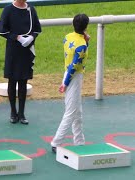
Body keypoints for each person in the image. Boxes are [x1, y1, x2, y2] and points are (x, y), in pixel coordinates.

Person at [0, 0, 42, 125]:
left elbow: (37, 28)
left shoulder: (31, 10)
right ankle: (13, 112)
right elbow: (2, 30)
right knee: (12, 81)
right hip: (13, 50)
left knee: (23, 81)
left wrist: (31, 37)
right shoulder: (8, 10)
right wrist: (17, 37)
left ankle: (21, 113)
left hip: (26, 50)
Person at [51, 14, 90, 153]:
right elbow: (75, 65)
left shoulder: (68, 37)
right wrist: (66, 83)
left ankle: (79, 141)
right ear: (86, 26)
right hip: (74, 77)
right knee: (71, 112)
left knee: (77, 112)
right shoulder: (82, 44)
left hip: (67, 74)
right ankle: (56, 142)